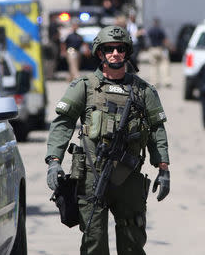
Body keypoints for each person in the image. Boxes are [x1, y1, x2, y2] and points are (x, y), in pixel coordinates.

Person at [45, 25, 171, 255]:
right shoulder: (84, 87)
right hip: (91, 176)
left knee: (133, 241)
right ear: (100, 53)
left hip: (128, 175)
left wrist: (163, 169)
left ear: (127, 52)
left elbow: (156, 130)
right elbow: (62, 124)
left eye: (120, 48)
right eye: (109, 49)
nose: (115, 53)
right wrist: (54, 161)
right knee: (94, 240)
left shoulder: (143, 90)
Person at [147, 18, 171, 88]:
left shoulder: (150, 30)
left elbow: (147, 38)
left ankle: (154, 82)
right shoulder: (160, 30)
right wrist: (169, 46)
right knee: (164, 64)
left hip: (152, 49)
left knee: (153, 66)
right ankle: (167, 81)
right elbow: (164, 40)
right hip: (160, 48)